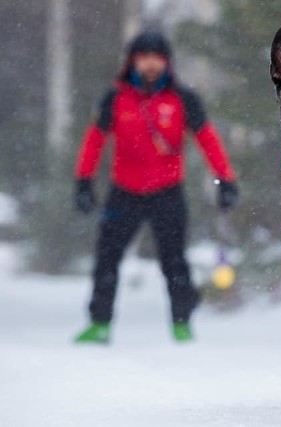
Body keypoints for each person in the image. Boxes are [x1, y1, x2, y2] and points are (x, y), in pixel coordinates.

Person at [73, 30, 238, 343]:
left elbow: (208, 141)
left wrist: (225, 179)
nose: (150, 64)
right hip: (123, 193)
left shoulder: (183, 99)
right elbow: (94, 141)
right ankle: (99, 324)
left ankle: (181, 325)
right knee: (106, 260)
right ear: (133, 61)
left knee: (174, 261)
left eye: (156, 58)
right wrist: (83, 181)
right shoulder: (115, 98)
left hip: (168, 193)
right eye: (143, 57)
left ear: (166, 62)